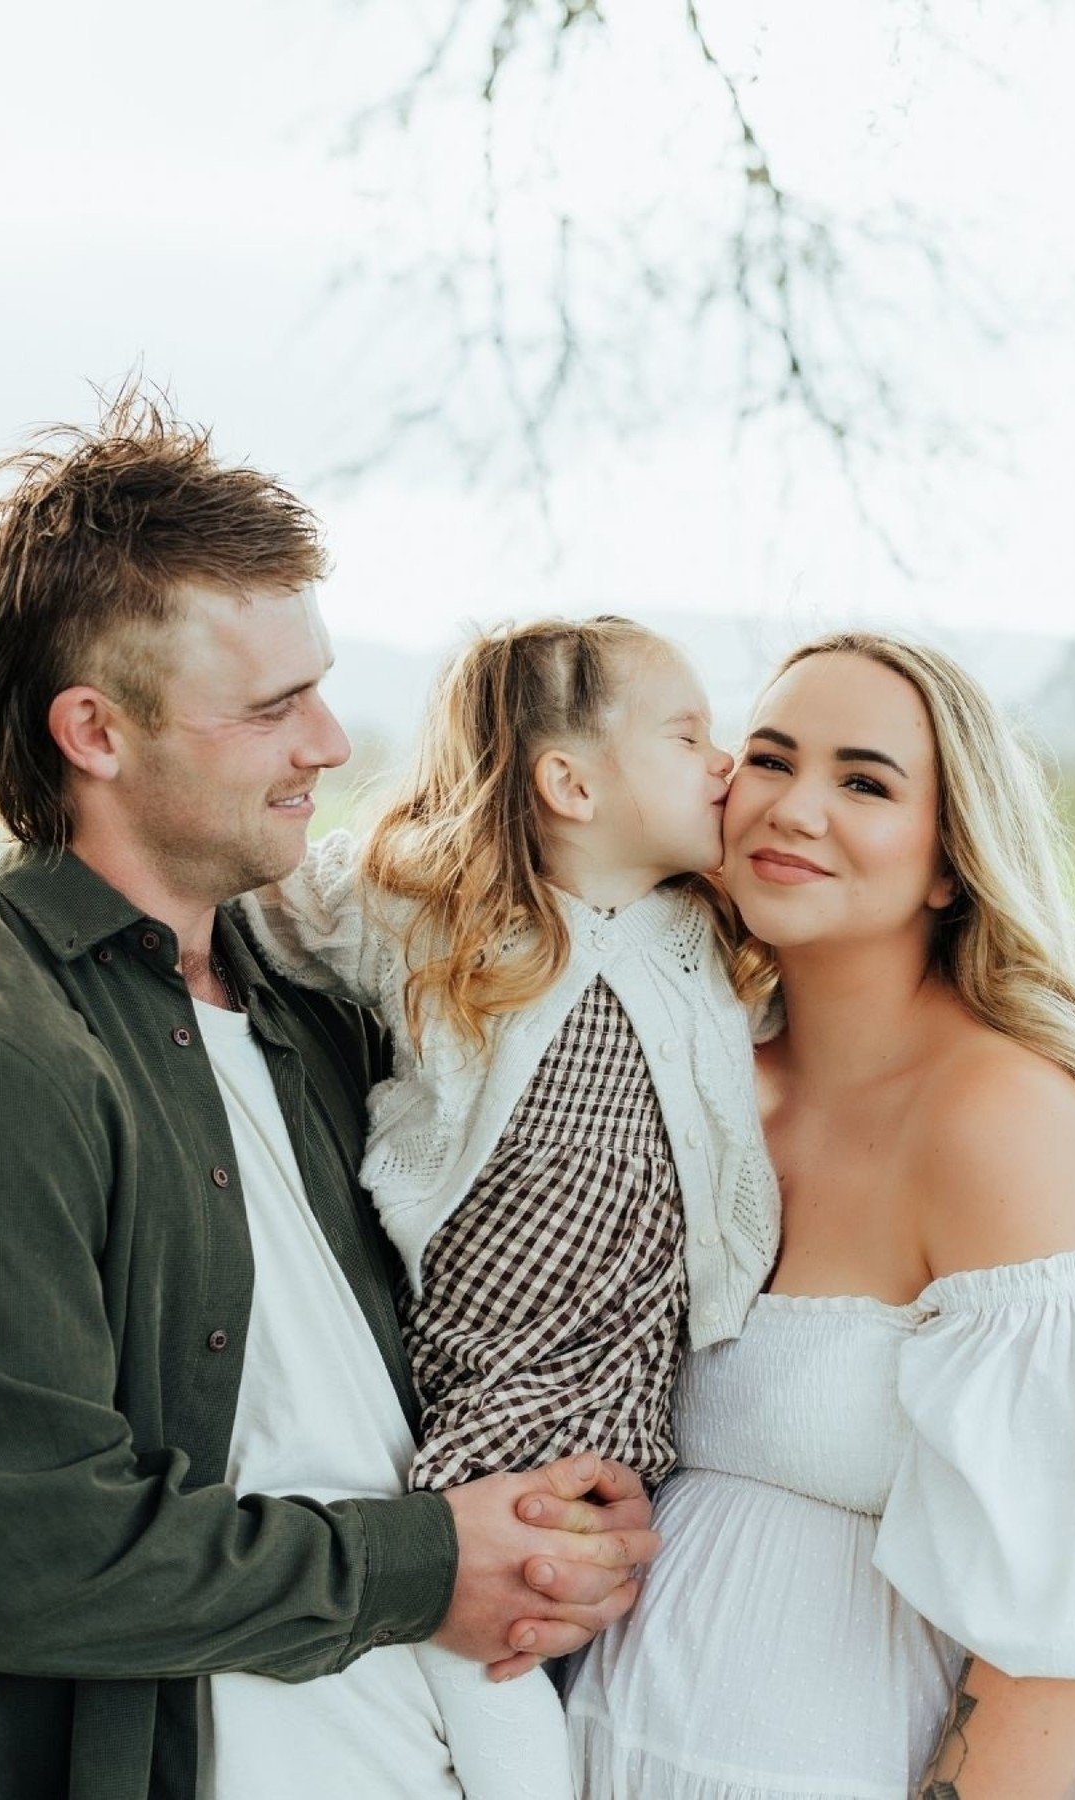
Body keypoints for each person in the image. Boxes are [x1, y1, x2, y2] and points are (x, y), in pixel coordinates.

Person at [0, 392, 659, 1800]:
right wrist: (433, 1567)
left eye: (323, 686)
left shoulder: (324, 1014)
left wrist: (554, 1508)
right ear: (96, 731)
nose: (332, 744)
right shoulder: (7, 1048)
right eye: (274, 706)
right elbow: (32, 1555)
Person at [565, 632, 1075, 1798]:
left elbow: (1074, 1618)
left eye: (865, 782)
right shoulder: (703, 1072)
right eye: (772, 759)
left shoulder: (1000, 1117)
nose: (794, 807)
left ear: (948, 861)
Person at [238, 616, 780, 1799]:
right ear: (571, 781)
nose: (725, 762)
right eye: (689, 735)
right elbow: (253, 907)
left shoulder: (711, 930)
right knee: (496, 1653)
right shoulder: (434, 906)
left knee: (592, 1634)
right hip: (499, 1365)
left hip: (636, 1365)